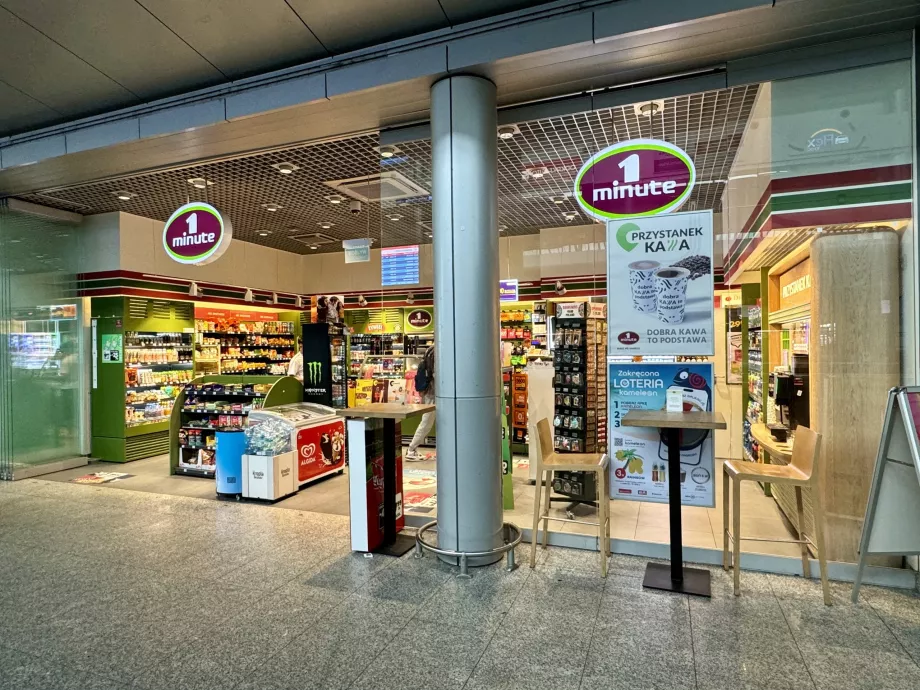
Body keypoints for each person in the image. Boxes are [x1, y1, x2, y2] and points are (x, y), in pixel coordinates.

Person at [406, 346, 435, 462]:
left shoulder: (430, 349)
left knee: (430, 421)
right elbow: (435, 373)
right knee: (427, 422)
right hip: (434, 393)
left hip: (431, 392)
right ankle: (411, 450)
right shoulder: (437, 350)